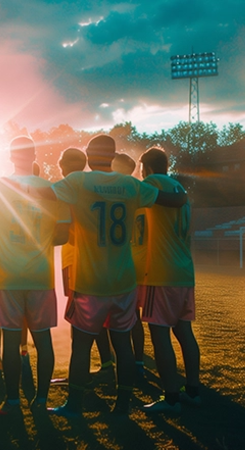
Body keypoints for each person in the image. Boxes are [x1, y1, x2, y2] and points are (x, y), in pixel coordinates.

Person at [27, 134, 186, 417]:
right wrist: (183, 194)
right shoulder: (130, 184)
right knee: (122, 344)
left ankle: (74, 406)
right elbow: (171, 200)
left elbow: (44, 193)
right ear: (113, 156)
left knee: (82, 346)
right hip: (124, 280)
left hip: (90, 280)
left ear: (88, 155)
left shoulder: (78, 181)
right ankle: (122, 405)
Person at [0, 136, 71, 415]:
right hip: (39, 276)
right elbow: (61, 235)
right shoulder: (54, 191)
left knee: (10, 341)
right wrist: (39, 242)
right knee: (42, 340)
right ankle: (41, 401)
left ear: (11, 156)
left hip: (7, 276)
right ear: (34, 155)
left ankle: (12, 401)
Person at [137, 148, 201, 413]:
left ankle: (171, 396)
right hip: (184, 271)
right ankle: (193, 390)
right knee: (184, 331)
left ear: (147, 168)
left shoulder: (152, 184)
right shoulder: (178, 187)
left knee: (159, 334)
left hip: (161, 273)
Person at [111, 152, 146, 379]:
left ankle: (130, 364)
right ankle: (137, 362)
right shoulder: (137, 193)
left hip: (125, 264)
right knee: (133, 317)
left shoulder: (121, 195)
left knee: (128, 319)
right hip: (136, 263)